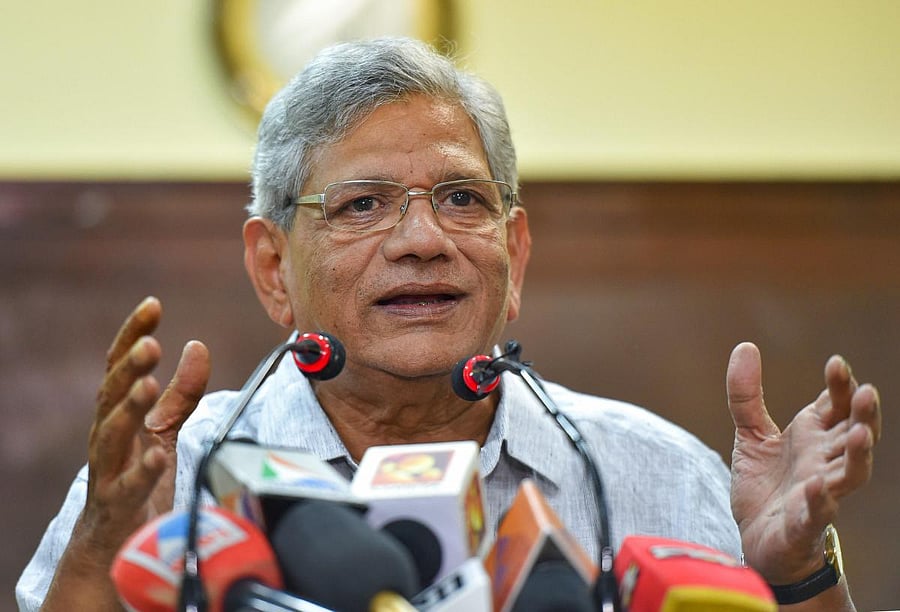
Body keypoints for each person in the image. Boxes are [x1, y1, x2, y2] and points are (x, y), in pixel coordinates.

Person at [17, 37, 881, 611]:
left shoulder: (658, 475)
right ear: (274, 268)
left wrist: (793, 573)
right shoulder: (176, 475)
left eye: (462, 198)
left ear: (515, 252)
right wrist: (100, 549)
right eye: (362, 204)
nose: (423, 240)